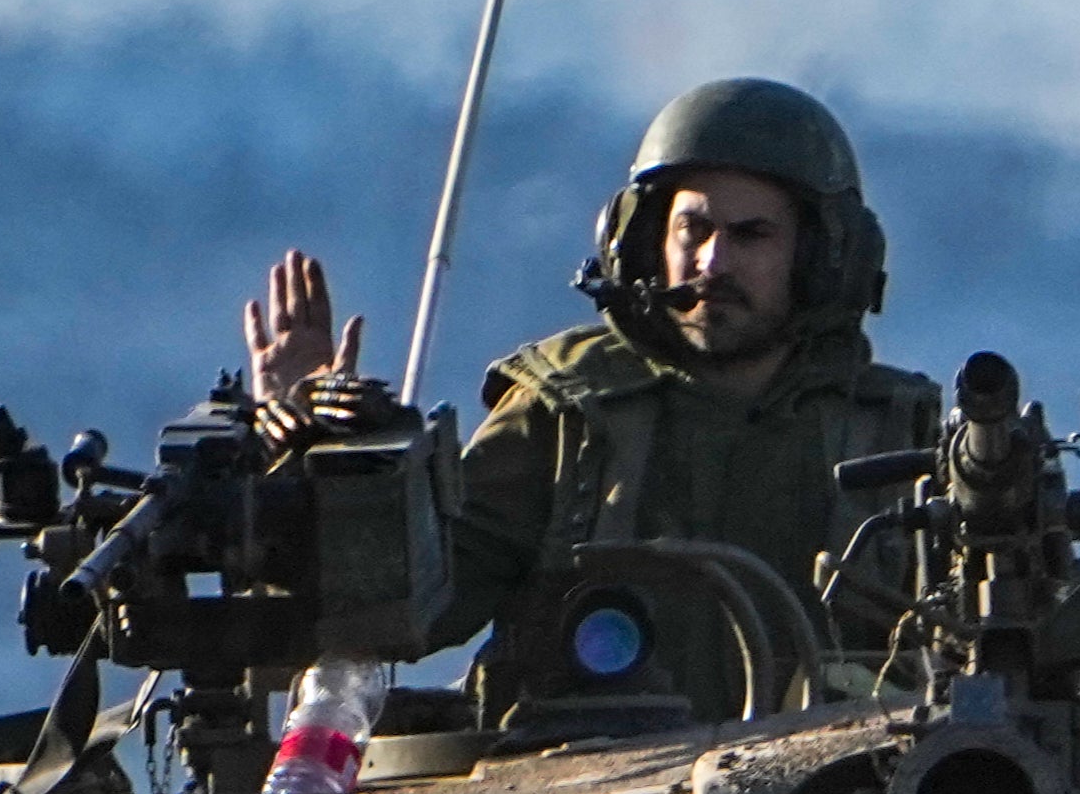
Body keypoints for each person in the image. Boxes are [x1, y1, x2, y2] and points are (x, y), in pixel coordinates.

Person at [243, 76, 940, 720]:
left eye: (751, 235)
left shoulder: (897, 439)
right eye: (692, 229)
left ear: (821, 257)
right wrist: (320, 458)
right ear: (643, 240)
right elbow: (413, 605)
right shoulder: (570, 410)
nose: (712, 263)